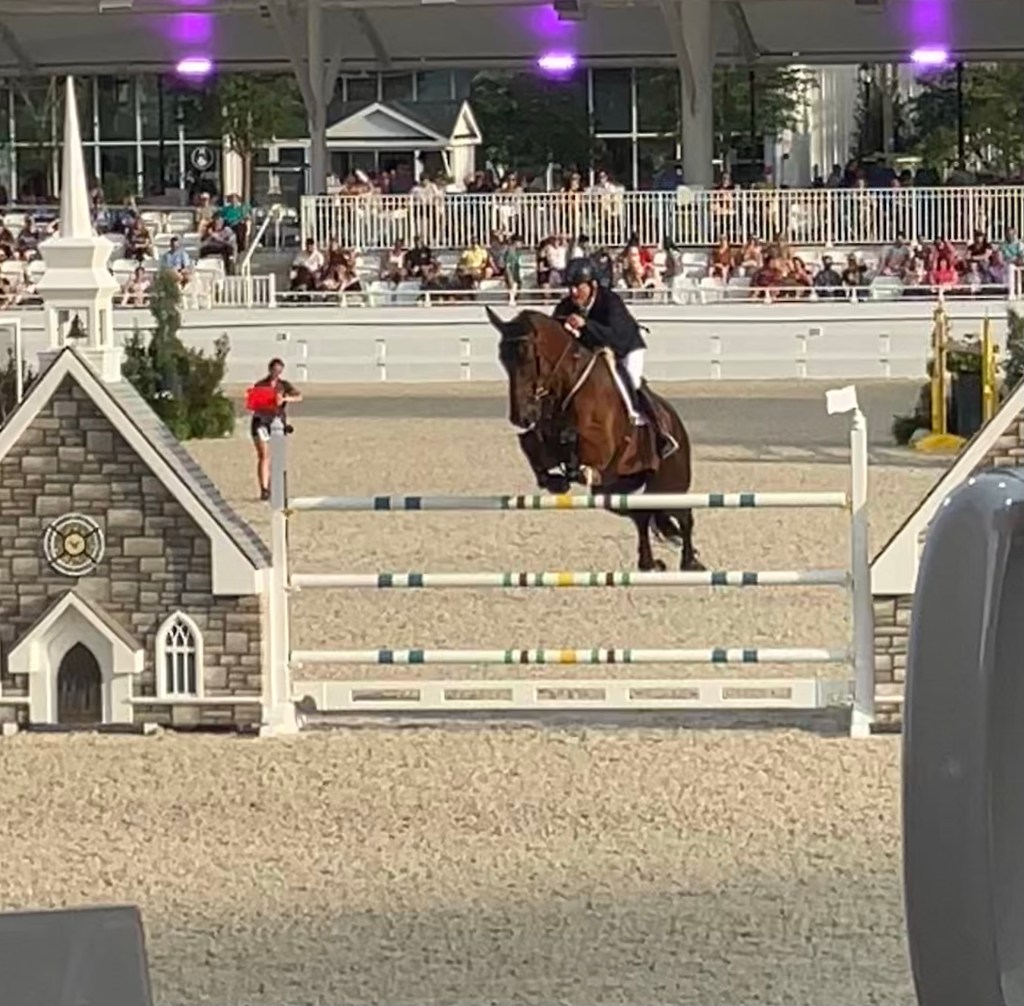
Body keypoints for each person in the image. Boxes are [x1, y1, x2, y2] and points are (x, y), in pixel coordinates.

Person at [552, 258, 678, 459]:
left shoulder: (610, 302)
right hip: (598, 352)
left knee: (632, 381)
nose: (573, 292)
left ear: (592, 285)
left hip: (626, 347)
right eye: (570, 287)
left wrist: (585, 325)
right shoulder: (567, 305)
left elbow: (615, 337)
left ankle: (660, 432)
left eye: (578, 287)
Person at [250, 358, 302, 501]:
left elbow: (299, 396)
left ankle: (274, 485)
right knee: (264, 455)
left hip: (277, 423)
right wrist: (269, 400)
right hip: (261, 422)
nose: (277, 373)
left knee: (277, 456)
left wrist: (284, 398)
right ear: (270, 369)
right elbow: (253, 403)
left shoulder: (283, 385)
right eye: (275, 370)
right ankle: (264, 488)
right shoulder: (261, 385)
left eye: (279, 371)